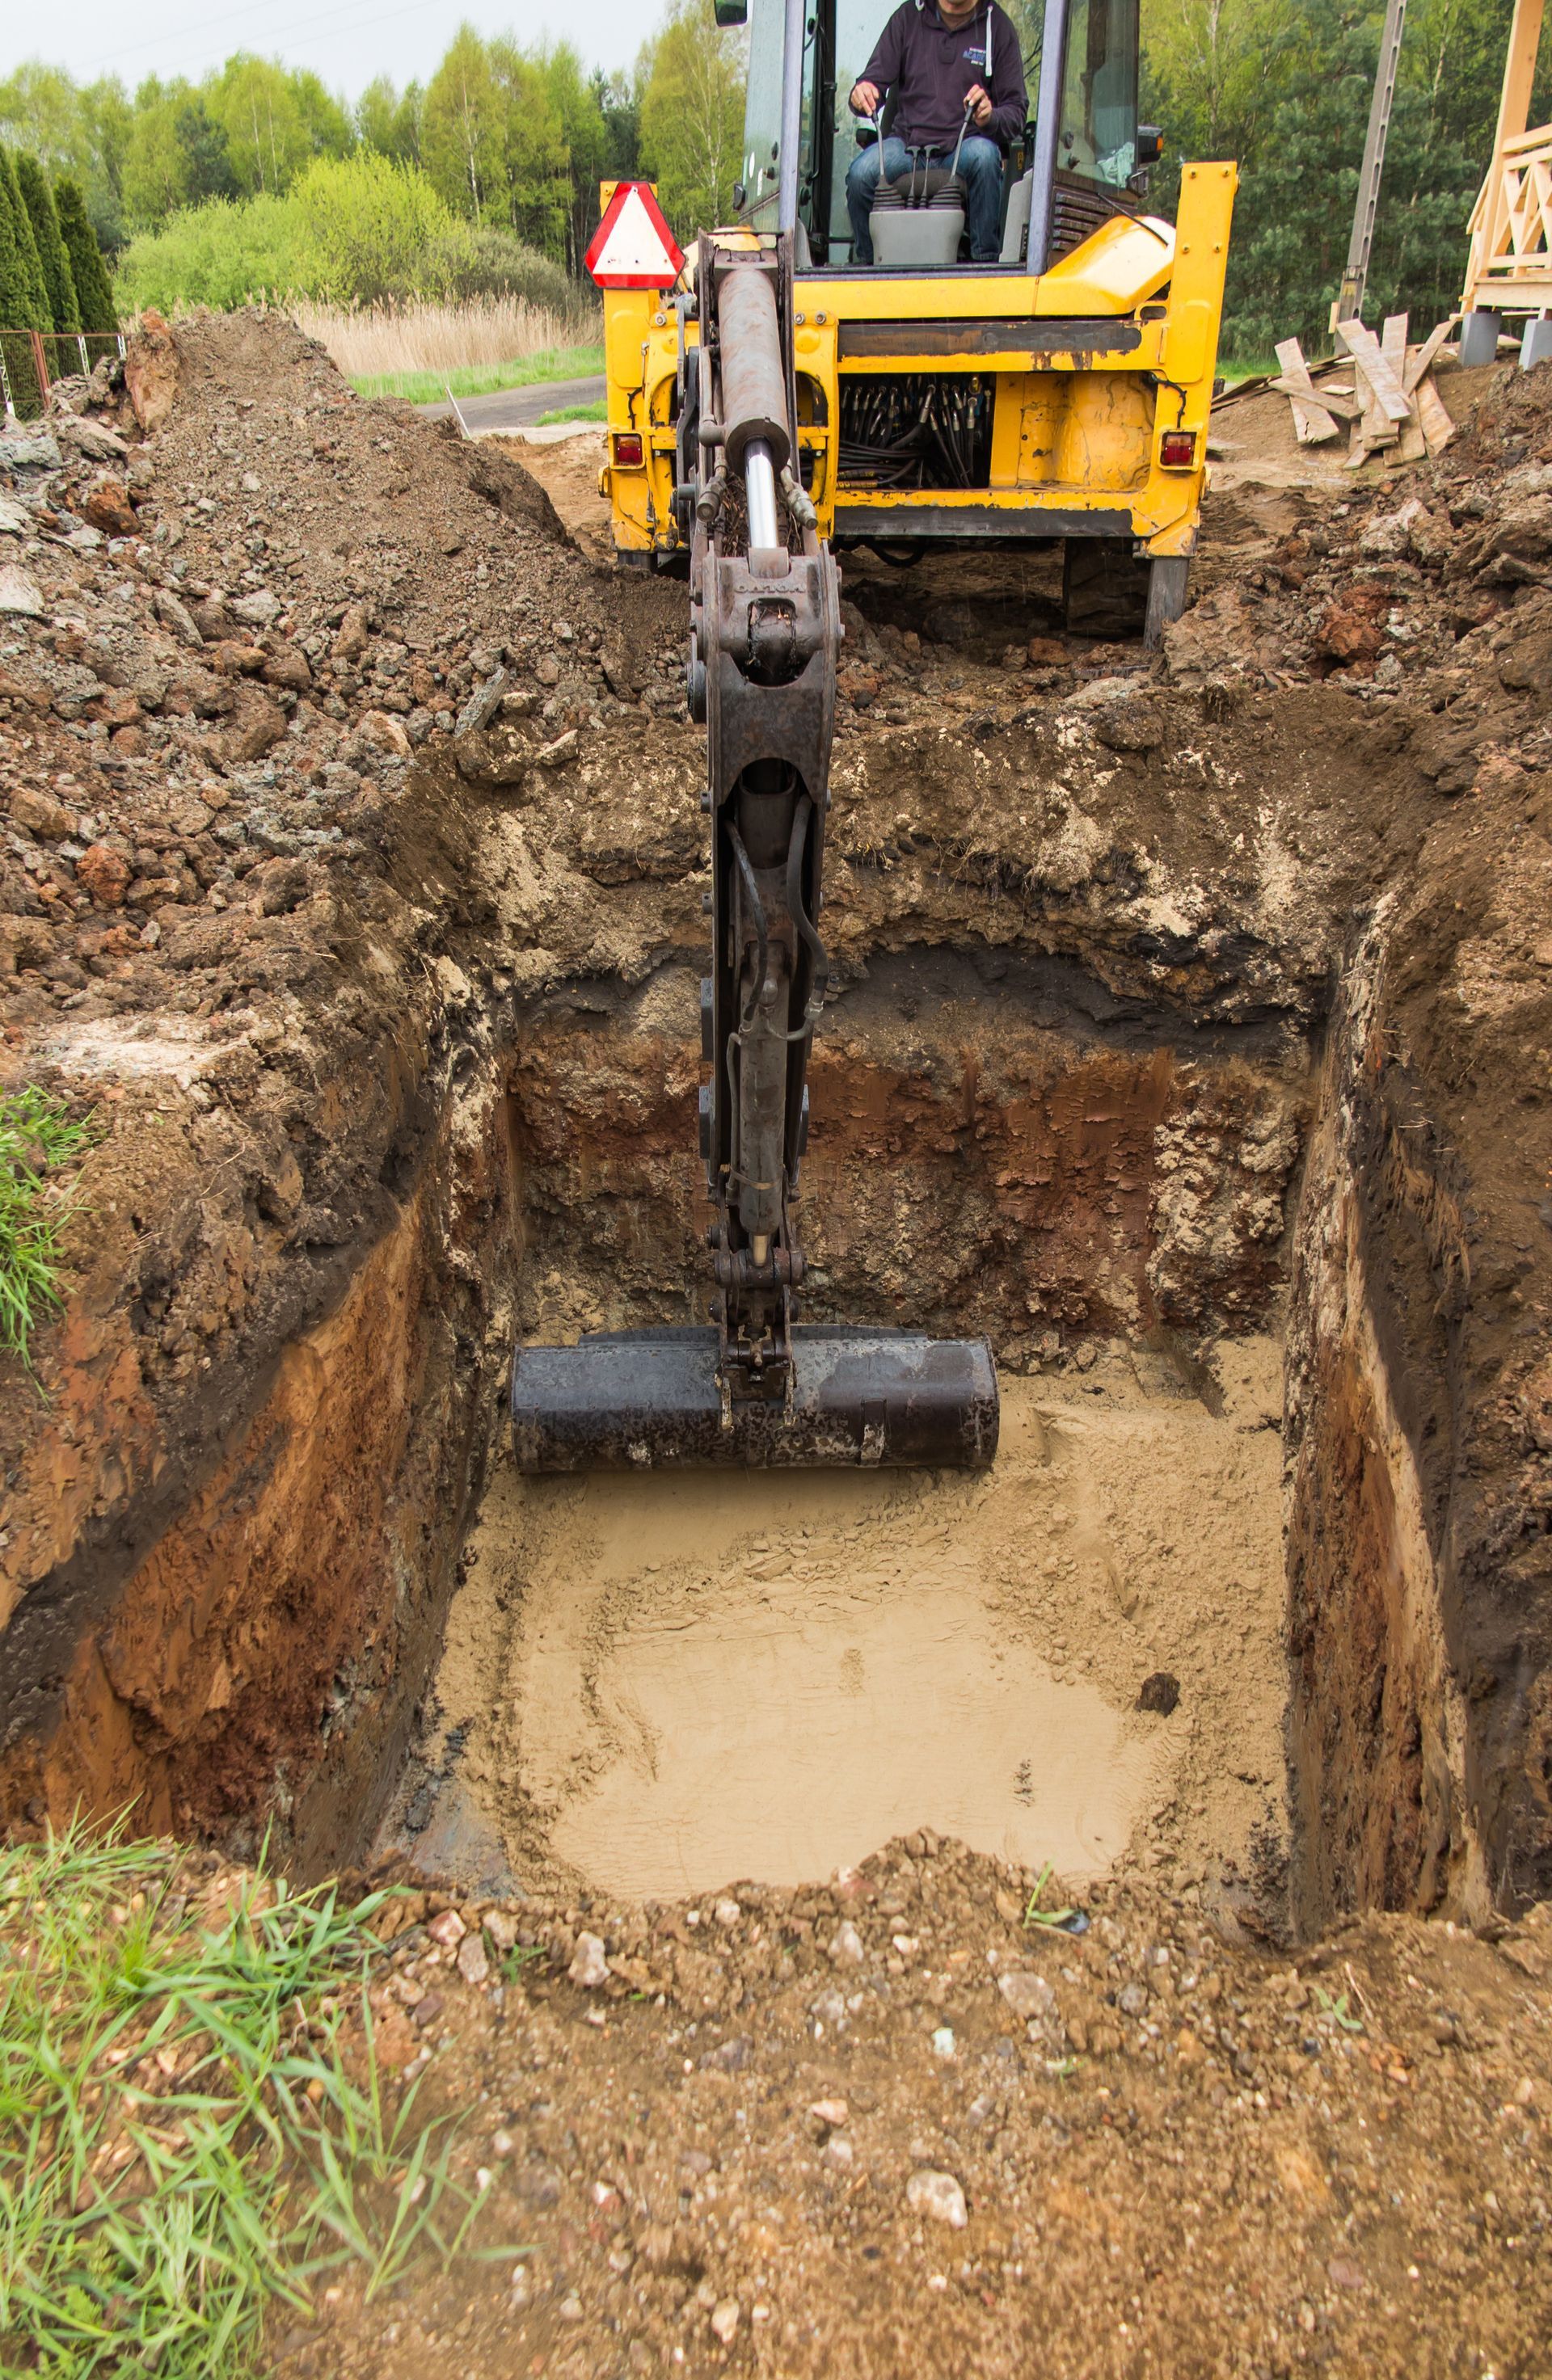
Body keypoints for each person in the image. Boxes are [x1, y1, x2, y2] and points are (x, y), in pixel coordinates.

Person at [846, 0, 1028, 266]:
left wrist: (990, 117)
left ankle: (985, 268)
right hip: (908, 147)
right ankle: (868, 269)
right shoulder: (908, 17)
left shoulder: (997, 26)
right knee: (861, 174)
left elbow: (1016, 114)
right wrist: (861, 93)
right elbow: (870, 83)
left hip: (964, 148)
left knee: (985, 157)